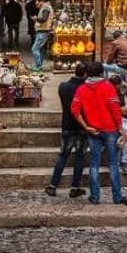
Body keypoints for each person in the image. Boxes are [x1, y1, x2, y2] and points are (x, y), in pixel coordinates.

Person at [71, 62, 127, 205]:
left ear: (87, 73)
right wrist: (121, 129)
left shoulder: (81, 89)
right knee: (113, 164)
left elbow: (75, 110)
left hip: (93, 131)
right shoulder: (108, 87)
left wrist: (86, 126)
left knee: (94, 164)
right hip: (110, 130)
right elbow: (115, 110)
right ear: (101, 73)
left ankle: (95, 196)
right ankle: (117, 197)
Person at [45, 63, 88, 198]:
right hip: (82, 127)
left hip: (67, 125)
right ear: (85, 74)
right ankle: (75, 187)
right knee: (79, 157)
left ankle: (53, 185)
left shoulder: (63, 87)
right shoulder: (86, 89)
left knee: (63, 156)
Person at [108, 74, 127, 174]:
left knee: (126, 131)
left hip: (121, 117)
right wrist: (119, 110)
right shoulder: (106, 90)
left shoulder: (123, 87)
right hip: (109, 116)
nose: (118, 88)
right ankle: (115, 161)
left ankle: (125, 160)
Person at [30, 0, 54, 71]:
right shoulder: (46, 7)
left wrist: (36, 18)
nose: (36, 4)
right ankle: (39, 65)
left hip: (42, 32)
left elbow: (44, 19)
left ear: (41, 1)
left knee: (34, 48)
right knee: (41, 49)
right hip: (43, 31)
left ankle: (38, 65)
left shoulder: (45, 8)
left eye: (36, 2)